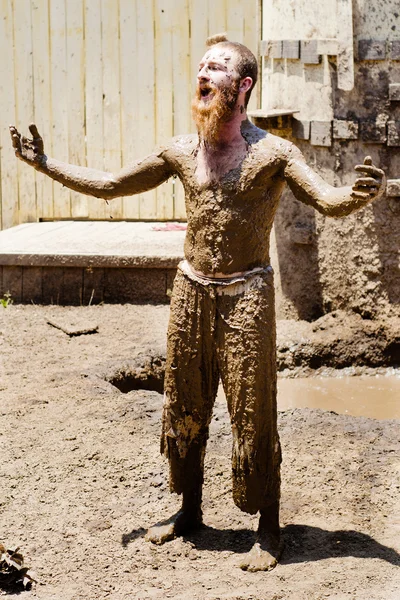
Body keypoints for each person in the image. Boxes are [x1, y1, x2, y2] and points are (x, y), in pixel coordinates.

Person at [9, 34, 386, 572]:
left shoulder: (273, 154)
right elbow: (111, 185)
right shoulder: (181, 150)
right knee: (183, 402)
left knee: (253, 412)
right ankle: (189, 510)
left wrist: (356, 196)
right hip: (190, 291)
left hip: (247, 296)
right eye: (202, 66)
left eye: (217, 68)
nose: (203, 74)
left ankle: (269, 526)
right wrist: (46, 165)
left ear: (244, 85)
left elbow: (326, 199)